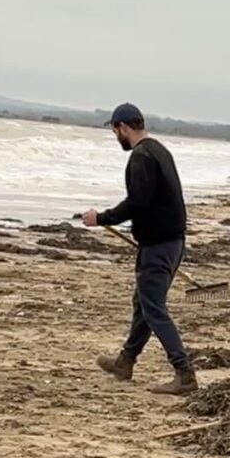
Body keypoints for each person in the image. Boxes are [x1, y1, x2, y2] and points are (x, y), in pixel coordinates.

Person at [82, 102, 198, 396]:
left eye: (115, 131)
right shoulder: (159, 150)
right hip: (172, 242)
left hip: (159, 245)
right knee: (144, 305)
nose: (116, 137)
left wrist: (101, 218)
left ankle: (184, 373)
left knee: (154, 309)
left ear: (123, 127)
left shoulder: (141, 156)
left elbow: (138, 203)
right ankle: (126, 362)